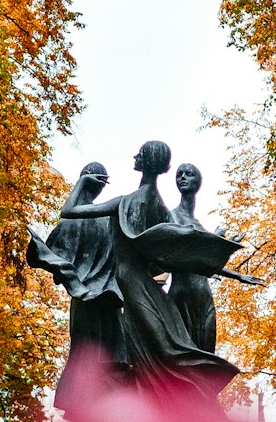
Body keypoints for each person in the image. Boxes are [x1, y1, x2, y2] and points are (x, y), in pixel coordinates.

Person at [59, 141, 240, 403]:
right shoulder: (160, 209)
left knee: (164, 351)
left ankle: (184, 404)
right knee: (164, 349)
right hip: (141, 288)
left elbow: (69, 211)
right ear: (166, 168)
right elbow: (179, 256)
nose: (135, 156)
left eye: (139, 154)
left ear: (141, 162)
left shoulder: (125, 202)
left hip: (134, 289)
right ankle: (181, 404)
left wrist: (83, 182)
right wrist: (225, 266)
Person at [26, 162, 127, 422]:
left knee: (89, 381)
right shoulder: (110, 222)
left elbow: (43, 255)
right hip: (109, 309)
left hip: (87, 308)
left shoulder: (74, 222)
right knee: (109, 379)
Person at [168, 163, 262, 353]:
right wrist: (215, 242)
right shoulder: (171, 217)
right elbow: (186, 257)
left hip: (203, 295)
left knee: (208, 354)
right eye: (179, 174)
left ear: (198, 182)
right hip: (182, 295)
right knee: (187, 357)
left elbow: (204, 263)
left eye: (189, 174)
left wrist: (238, 275)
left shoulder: (198, 224)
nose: (183, 177)